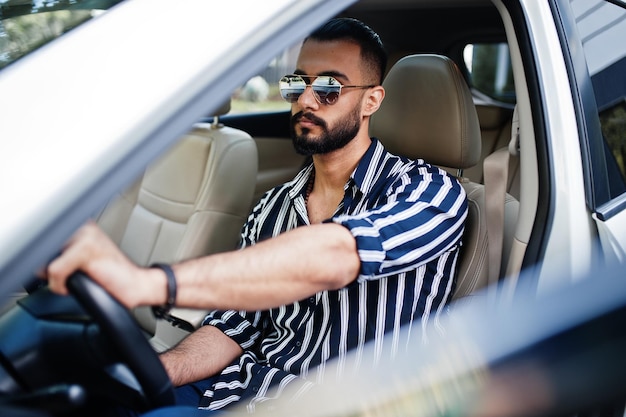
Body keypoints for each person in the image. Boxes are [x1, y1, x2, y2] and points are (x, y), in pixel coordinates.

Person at [45, 17, 467, 416]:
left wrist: (148, 283)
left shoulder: (431, 194)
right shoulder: (273, 206)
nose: (305, 99)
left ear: (371, 100)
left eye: (328, 88)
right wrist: (154, 373)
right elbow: (233, 327)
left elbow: (335, 255)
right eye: (296, 84)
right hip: (238, 390)